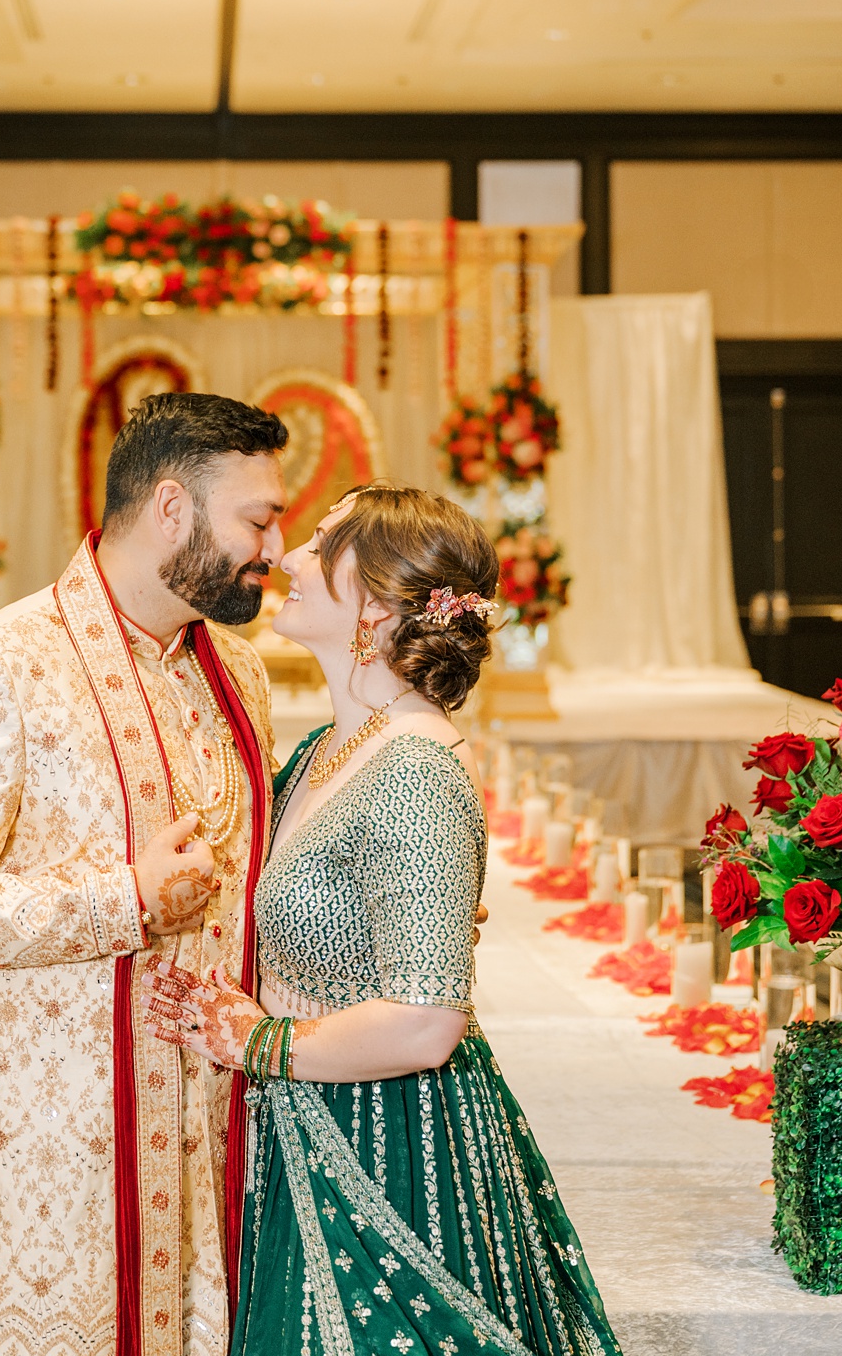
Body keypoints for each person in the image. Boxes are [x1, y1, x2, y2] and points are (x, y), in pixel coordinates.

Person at [149, 482, 620, 1356]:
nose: (287, 557)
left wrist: (254, 1043)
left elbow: (426, 1023)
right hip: (314, 1126)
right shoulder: (328, 751)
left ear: (374, 603)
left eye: (320, 541)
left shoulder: (411, 770)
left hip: (388, 1144)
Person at [0, 392, 289, 1356]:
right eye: (258, 520)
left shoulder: (240, 670)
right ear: (174, 509)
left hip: (219, 1149)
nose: (273, 548)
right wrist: (121, 898)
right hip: (58, 1168)